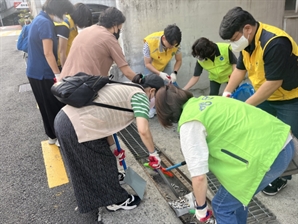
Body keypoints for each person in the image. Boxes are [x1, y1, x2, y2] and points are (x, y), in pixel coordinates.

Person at [155, 84, 295, 224]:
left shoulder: (189, 123)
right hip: (281, 140)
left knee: (221, 206)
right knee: (237, 199)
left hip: (269, 157)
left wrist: (201, 209)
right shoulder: (205, 101)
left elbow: (199, 177)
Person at [54, 74, 163, 217]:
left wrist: (113, 148)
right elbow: (143, 130)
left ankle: (107, 184)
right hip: (75, 127)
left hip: (65, 119)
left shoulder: (127, 86)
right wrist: (153, 154)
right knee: (101, 162)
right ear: (153, 91)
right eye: (160, 97)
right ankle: (115, 201)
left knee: (99, 160)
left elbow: (105, 121)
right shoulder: (141, 97)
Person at [219, 6, 298, 196]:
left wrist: (244, 106)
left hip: (290, 97)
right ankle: (268, 166)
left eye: (233, 38)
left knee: (285, 140)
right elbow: (240, 70)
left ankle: (282, 177)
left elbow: (274, 83)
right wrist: (226, 93)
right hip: (266, 95)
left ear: (247, 29)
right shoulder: (247, 44)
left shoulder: (275, 43)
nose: (233, 44)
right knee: (263, 133)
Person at [26, 0, 74, 146]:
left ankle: (52, 136)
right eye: (64, 12)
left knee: (45, 105)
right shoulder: (45, 23)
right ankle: (58, 137)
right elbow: (48, 53)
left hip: (34, 71)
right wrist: (58, 75)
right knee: (53, 105)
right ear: (58, 9)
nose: (65, 16)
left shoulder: (39, 19)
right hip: (43, 73)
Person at [59, 7, 137, 81]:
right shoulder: (109, 38)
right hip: (83, 86)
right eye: (120, 28)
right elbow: (127, 72)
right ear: (115, 25)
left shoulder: (85, 31)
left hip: (63, 84)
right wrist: (142, 81)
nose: (120, 31)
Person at [143, 24, 182, 117]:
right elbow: (147, 64)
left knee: (170, 85)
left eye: (174, 45)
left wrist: (174, 73)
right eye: (171, 45)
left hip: (165, 63)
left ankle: (170, 106)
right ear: (164, 38)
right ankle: (152, 108)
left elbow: (179, 60)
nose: (172, 47)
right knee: (152, 88)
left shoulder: (176, 44)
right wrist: (159, 73)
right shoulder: (149, 43)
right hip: (152, 65)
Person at [54, 3, 92, 70]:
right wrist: (65, 72)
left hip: (66, 62)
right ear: (81, 17)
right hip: (59, 64)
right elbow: (62, 52)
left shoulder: (73, 25)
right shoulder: (66, 24)